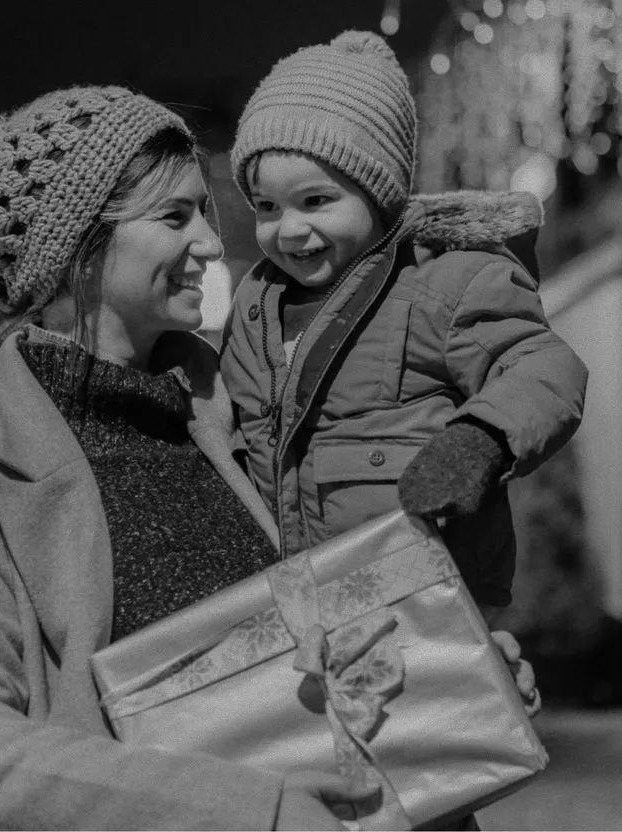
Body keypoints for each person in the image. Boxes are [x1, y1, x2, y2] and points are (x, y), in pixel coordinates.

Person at [0, 84, 538, 831]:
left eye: (204, 211)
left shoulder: (247, 411)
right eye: (174, 216)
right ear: (76, 249)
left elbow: (309, 646)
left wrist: (446, 670)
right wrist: (252, 813)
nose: (211, 243)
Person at [220, 29, 588, 623]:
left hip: (429, 600)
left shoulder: (446, 283)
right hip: (302, 609)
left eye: (315, 201)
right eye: (267, 206)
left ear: (378, 193)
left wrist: (481, 441)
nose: (287, 230)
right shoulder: (254, 307)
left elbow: (547, 367)